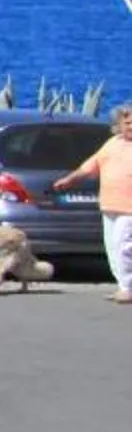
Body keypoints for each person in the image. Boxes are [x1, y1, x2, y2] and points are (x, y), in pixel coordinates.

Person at [48, 104, 132, 304]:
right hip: (110, 204)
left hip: (129, 209)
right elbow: (91, 165)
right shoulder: (113, 143)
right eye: (127, 122)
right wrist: (70, 180)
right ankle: (123, 286)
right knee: (112, 247)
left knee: (124, 246)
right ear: (119, 124)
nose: (131, 126)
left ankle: (129, 288)